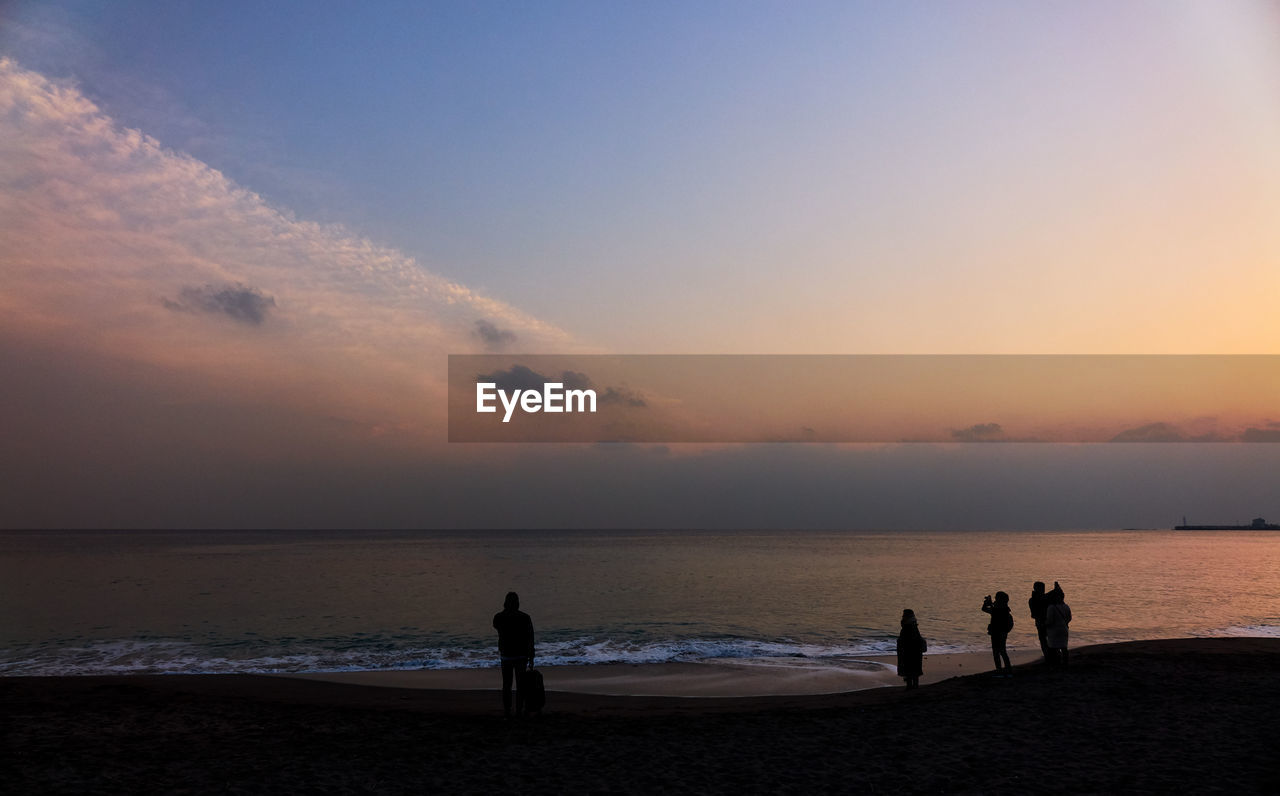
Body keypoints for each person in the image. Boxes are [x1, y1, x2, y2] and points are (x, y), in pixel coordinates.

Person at [492, 591, 535, 717]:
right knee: (521, 684)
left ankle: (507, 709)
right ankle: (519, 710)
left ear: (505, 602)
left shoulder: (498, 617)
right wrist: (531, 656)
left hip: (506, 655)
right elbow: (530, 638)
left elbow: (496, 627)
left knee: (506, 684)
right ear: (518, 603)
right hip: (521, 655)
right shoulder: (525, 617)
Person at [981, 591, 1014, 677]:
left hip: (996, 633)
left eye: (996, 598)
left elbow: (984, 609)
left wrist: (987, 603)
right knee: (1002, 651)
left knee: (996, 652)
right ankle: (1008, 670)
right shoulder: (1005, 609)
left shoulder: (996, 609)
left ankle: (999, 671)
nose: (995, 599)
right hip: (1002, 632)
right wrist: (989, 603)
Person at [896, 608, 927, 690]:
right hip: (915, 651)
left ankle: (910, 686)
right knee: (914, 669)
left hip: (908, 650)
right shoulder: (913, 625)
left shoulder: (907, 625)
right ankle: (914, 686)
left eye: (904, 614)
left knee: (908, 668)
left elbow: (906, 639)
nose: (902, 616)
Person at [1043, 582, 1072, 667]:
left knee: (1053, 648)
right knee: (1064, 647)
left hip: (1053, 630)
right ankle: (1065, 663)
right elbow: (1069, 618)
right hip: (1064, 629)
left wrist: (1044, 625)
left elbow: (1050, 621)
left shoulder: (1051, 607)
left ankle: (1056, 664)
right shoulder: (1066, 606)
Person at [1028, 581, 1051, 661]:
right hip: (1042, 622)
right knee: (1045, 640)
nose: (1043, 590)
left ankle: (1049, 656)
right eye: (1042, 588)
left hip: (1042, 622)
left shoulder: (1033, 599)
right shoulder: (1034, 600)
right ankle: (1048, 656)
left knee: (1045, 640)